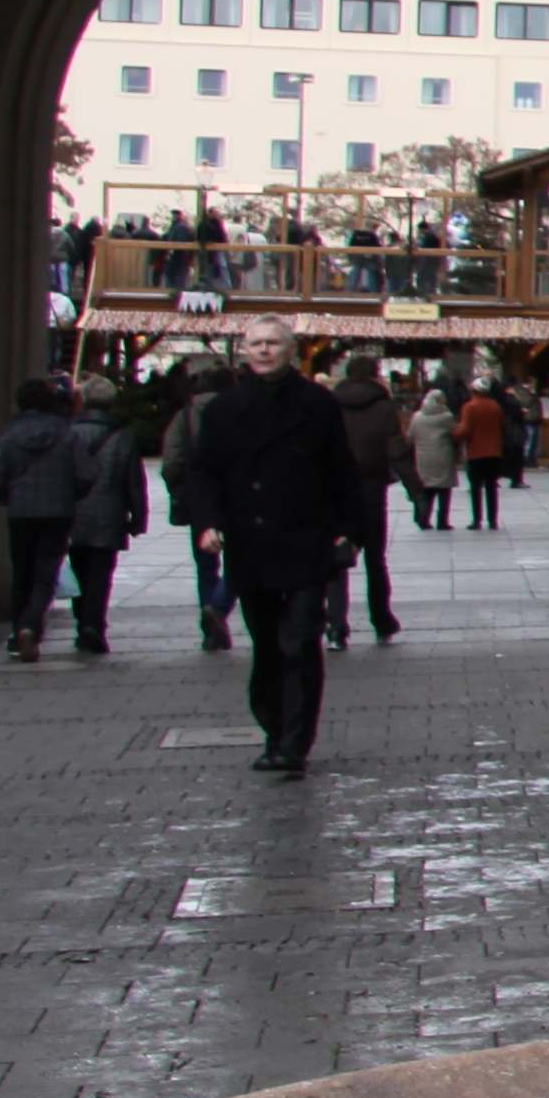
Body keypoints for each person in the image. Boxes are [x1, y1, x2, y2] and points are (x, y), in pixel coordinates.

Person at [187, 322, 360, 772]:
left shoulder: (318, 404)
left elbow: (341, 467)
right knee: (267, 644)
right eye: (256, 344)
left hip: (307, 536)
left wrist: (349, 529)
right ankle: (274, 731)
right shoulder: (224, 409)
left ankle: (294, 742)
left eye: (273, 343)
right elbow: (204, 471)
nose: (264, 350)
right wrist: (208, 522)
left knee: (299, 640)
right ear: (244, 351)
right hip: (252, 539)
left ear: (290, 350)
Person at [0, 376, 90, 663]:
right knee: (45, 573)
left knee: (22, 574)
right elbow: (86, 474)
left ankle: (18, 632)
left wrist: (9, 496)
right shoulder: (67, 434)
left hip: (21, 512)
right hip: (58, 512)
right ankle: (31, 625)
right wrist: (69, 494)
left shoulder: (9, 436)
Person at [326, 349, 411, 642]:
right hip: (372, 489)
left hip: (337, 490)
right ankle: (381, 619)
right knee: (375, 560)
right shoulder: (384, 406)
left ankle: (336, 625)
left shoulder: (330, 404)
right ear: (375, 374)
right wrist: (417, 490)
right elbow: (396, 449)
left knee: (338, 556)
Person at [59, 384, 146, 656]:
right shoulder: (123, 438)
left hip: (73, 514)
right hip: (109, 514)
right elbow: (134, 483)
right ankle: (93, 624)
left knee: (79, 571)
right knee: (100, 575)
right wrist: (138, 518)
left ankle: (83, 622)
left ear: (84, 401)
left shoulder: (68, 433)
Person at [160, 358, 236, 649]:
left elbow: (173, 457)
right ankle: (218, 606)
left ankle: (210, 625)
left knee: (205, 562)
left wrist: (179, 487)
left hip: (199, 494)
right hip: (236, 492)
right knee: (240, 558)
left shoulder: (186, 413)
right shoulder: (240, 408)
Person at [456, 371, 514, 528]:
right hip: (494, 452)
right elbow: (504, 429)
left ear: (473, 390)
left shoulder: (469, 407)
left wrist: (453, 435)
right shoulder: (496, 407)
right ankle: (492, 520)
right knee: (491, 487)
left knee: (475, 488)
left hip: (475, 453)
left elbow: (465, 430)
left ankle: (477, 520)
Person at [406, 381, 460, 530]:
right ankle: (442, 521)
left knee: (426, 489)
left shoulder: (417, 416)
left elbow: (410, 436)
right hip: (443, 456)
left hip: (423, 456)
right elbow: (456, 432)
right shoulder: (446, 416)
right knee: (443, 490)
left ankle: (423, 519)